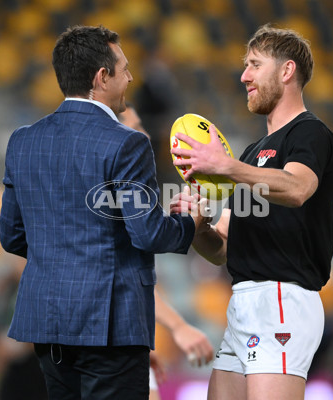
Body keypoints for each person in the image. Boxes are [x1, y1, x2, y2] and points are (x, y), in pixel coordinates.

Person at [0, 25, 208, 400]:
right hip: (112, 323)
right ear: (101, 77)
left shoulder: (23, 141)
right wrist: (190, 223)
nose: (130, 77)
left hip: (48, 322)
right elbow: (147, 233)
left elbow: (12, 236)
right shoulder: (127, 144)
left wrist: (63, 254)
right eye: (124, 69)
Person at [170, 24, 333, 400]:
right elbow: (223, 250)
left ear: (286, 71)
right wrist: (199, 223)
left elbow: (297, 188)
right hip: (244, 302)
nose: (244, 75)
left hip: (283, 299)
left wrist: (224, 166)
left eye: (254, 64)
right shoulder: (251, 154)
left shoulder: (310, 134)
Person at [119, 104, 215, 400]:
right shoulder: (116, 200)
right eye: (136, 127)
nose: (145, 135)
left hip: (123, 340)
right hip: (107, 344)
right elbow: (124, 277)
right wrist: (190, 225)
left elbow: (131, 277)